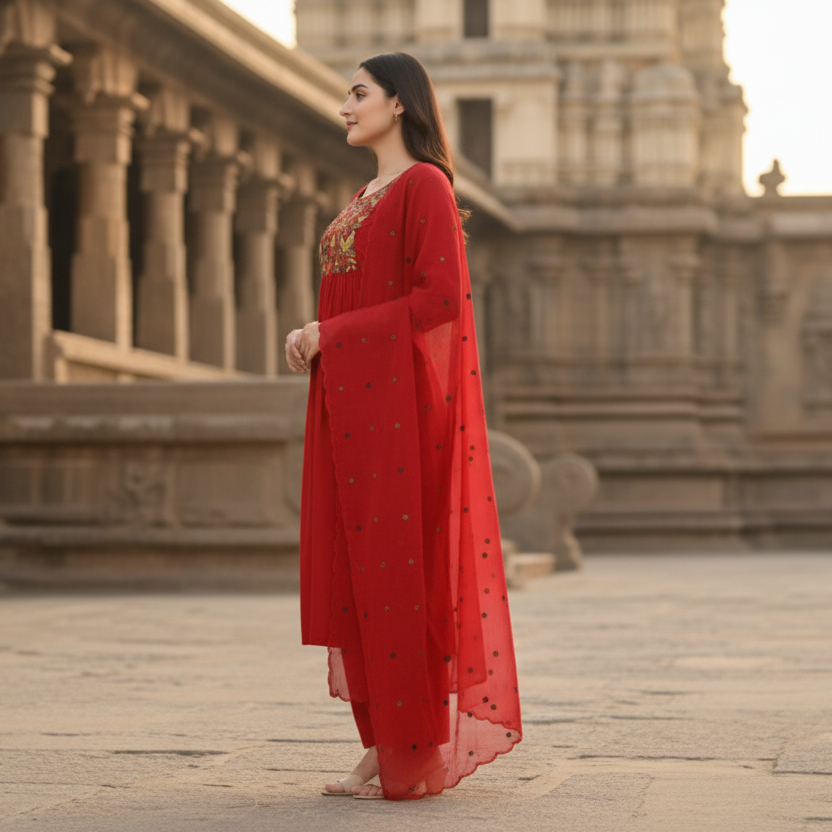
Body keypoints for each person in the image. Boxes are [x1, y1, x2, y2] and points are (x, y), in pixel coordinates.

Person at [285, 52, 522, 801]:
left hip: (396, 414)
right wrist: (316, 333)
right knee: (357, 577)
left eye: (358, 94)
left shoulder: (425, 185)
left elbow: (441, 300)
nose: (345, 107)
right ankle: (384, 742)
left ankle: (410, 748)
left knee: (395, 576)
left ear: (399, 103)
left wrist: (336, 335)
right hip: (350, 405)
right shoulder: (364, 193)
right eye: (345, 95)